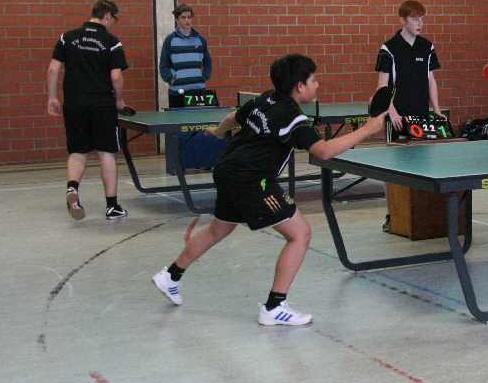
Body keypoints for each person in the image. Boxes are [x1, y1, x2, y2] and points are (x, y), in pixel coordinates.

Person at [151, 54, 385, 326]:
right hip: (251, 179)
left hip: (227, 169)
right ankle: (274, 307)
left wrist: (217, 132)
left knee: (218, 229)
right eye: (314, 80)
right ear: (300, 86)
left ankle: (171, 276)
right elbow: (322, 151)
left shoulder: (266, 99)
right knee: (300, 234)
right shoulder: (293, 119)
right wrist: (368, 129)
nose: (317, 85)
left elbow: (233, 117)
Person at [46, 0, 129, 221]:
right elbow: (116, 77)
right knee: (106, 153)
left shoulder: (67, 37)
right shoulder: (112, 42)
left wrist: (52, 98)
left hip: (74, 103)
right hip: (102, 104)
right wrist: (119, 100)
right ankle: (112, 207)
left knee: (78, 152)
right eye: (114, 19)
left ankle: (72, 188)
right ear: (108, 15)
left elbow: (53, 69)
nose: (113, 23)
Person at [375, 0, 443, 135]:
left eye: (422, 19)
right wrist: (392, 112)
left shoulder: (427, 47)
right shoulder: (389, 48)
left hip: (422, 114)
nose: (420, 24)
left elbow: (431, 81)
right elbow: (382, 86)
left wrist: (437, 111)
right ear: (403, 20)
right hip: (398, 117)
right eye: (415, 19)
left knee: (423, 148)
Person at [158, 4, 212, 104]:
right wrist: (172, 80)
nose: (187, 20)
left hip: (198, 90)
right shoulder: (170, 39)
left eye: (189, 17)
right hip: (177, 92)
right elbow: (163, 65)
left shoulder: (200, 39)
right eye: (183, 17)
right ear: (177, 19)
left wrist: (203, 77)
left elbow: (208, 62)